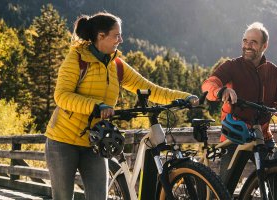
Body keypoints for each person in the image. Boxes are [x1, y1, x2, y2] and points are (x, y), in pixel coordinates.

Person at [45, 12, 199, 200]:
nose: (121, 39)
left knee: (99, 197)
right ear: (101, 36)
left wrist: (185, 97)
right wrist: (97, 106)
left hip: (95, 142)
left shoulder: (117, 65)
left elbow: (150, 89)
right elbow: (61, 96)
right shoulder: (77, 59)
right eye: (116, 35)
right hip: (63, 141)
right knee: (62, 197)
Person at [201, 22, 277, 183]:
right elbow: (208, 85)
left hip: (263, 136)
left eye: (253, 42)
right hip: (235, 136)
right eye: (245, 41)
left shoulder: (272, 71)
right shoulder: (232, 66)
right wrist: (221, 91)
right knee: (225, 189)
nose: (247, 45)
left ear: (265, 45)